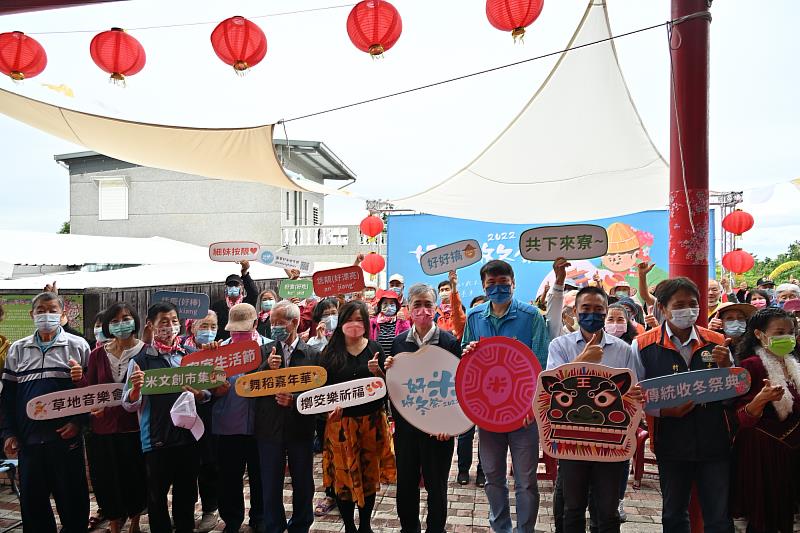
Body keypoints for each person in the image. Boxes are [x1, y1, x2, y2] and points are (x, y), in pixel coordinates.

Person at [633, 277, 735, 533]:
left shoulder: (717, 342)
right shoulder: (643, 345)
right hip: (671, 441)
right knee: (674, 514)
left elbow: (732, 396)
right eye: (679, 304)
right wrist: (665, 411)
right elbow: (635, 395)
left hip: (714, 441)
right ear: (663, 308)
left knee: (719, 516)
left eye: (693, 304)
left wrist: (727, 368)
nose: (687, 310)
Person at [462, 259, 554, 533]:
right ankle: (500, 527)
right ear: (483, 286)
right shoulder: (475, 317)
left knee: (525, 479)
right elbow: (466, 361)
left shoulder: (531, 316)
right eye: (492, 284)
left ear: (513, 284)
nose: (498, 288)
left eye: (504, 283)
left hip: (523, 413)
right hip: (488, 412)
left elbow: (540, 363)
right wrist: (469, 351)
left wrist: (532, 406)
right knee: (492, 476)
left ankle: (525, 529)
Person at [548, 286, 644, 533]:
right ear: (575, 311)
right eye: (586, 309)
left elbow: (633, 390)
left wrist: (634, 395)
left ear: (605, 311)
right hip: (572, 438)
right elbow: (553, 389)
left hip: (611, 441)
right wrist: (583, 359)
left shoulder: (623, 349)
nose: (592, 314)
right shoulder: (560, 346)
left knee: (607, 511)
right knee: (573, 508)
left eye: (598, 309)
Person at [0, 292, 90, 533]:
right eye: (40, 310)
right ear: (32, 315)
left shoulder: (78, 345)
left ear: (62, 314)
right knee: (33, 507)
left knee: (73, 505)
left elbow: (90, 393)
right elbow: (8, 397)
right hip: (29, 444)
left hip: (66, 442)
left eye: (52, 310)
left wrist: (78, 423)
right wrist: (9, 433)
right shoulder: (17, 350)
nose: (46, 315)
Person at [122, 301, 215, 533]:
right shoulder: (140, 361)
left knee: (185, 495)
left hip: (188, 437)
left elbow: (206, 393)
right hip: (156, 440)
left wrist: (201, 393)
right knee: (157, 498)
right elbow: (128, 404)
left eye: (174, 321)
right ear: (150, 325)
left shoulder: (191, 356)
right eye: (163, 322)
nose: (170, 326)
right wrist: (135, 390)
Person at [385, 283, 460, 533]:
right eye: (417, 305)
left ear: (436, 307)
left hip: (438, 432)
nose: (423, 310)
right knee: (405, 485)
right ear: (408, 309)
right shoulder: (398, 344)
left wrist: (449, 426)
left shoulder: (449, 342)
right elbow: (395, 386)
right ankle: (409, 529)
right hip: (406, 430)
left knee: (436, 486)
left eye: (428, 304)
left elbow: (457, 388)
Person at [320, 301, 395, 533]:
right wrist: (328, 412)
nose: (354, 324)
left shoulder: (375, 348)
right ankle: (350, 526)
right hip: (340, 426)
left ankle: (365, 525)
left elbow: (386, 386)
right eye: (350, 319)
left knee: (368, 476)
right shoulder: (329, 353)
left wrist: (378, 372)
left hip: (371, 423)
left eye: (359, 319)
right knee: (343, 479)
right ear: (342, 322)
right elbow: (321, 392)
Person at [731, 308, 799, 533]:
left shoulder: (793, 365)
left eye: (791, 331)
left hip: (791, 450)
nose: (787, 337)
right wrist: (761, 400)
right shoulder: (751, 365)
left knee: (785, 512)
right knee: (763, 514)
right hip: (762, 450)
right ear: (760, 334)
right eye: (779, 332)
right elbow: (742, 416)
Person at [254, 300, 320, 533]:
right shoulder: (263, 351)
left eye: (280, 323)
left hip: (299, 428)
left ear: (294, 323)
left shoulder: (312, 354)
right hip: (268, 429)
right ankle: (274, 526)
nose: (275, 328)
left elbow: (318, 393)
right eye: (272, 323)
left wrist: (295, 400)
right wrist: (266, 369)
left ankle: (301, 524)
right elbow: (249, 388)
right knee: (271, 483)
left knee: (303, 482)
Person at [84, 302, 147, 533]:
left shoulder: (145, 351)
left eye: (126, 318)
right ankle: (113, 520)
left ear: (135, 322)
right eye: (115, 320)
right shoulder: (97, 354)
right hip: (103, 429)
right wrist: (91, 407)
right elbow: (89, 389)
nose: (121, 324)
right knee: (106, 478)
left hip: (136, 429)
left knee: (135, 475)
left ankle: (135, 520)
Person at [212, 303, 266, 533]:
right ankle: (232, 519)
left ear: (255, 324)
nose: (238, 334)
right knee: (229, 477)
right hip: (227, 425)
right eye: (235, 330)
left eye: (243, 329)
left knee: (260, 475)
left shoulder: (269, 349)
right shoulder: (218, 351)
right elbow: (204, 389)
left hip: (261, 426)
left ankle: (260, 517)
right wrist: (214, 390)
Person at [179, 310, 221, 532]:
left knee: (209, 463)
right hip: (183, 418)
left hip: (209, 416)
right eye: (204, 326)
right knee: (186, 467)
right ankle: (185, 512)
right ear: (192, 328)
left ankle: (210, 509)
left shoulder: (220, 351)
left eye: (213, 326)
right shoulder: (181, 350)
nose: (209, 331)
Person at [456, 293, 488, 487]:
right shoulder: (467, 331)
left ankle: (483, 471)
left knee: (486, 433)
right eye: (475, 308)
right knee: (465, 433)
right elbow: (460, 354)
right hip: (470, 387)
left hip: (492, 389)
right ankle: (462, 469)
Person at [211, 260, 258, 341]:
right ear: (226, 288)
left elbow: (254, 292)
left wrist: (245, 273)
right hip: (223, 343)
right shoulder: (217, 306)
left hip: (244, 340)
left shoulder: (247, 303)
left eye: (236, 285)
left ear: (241, 288)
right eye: (230, 285)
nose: (233, 287)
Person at [369, 289, 410, 355]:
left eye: (392, 304)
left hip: (396, 362)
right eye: (385, 303)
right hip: (378, 362)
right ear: (380, 306)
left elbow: (408, 341)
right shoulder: (372, 322)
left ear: (396, 307)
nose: (388, 307)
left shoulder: (402, 322)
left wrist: (404, 322)